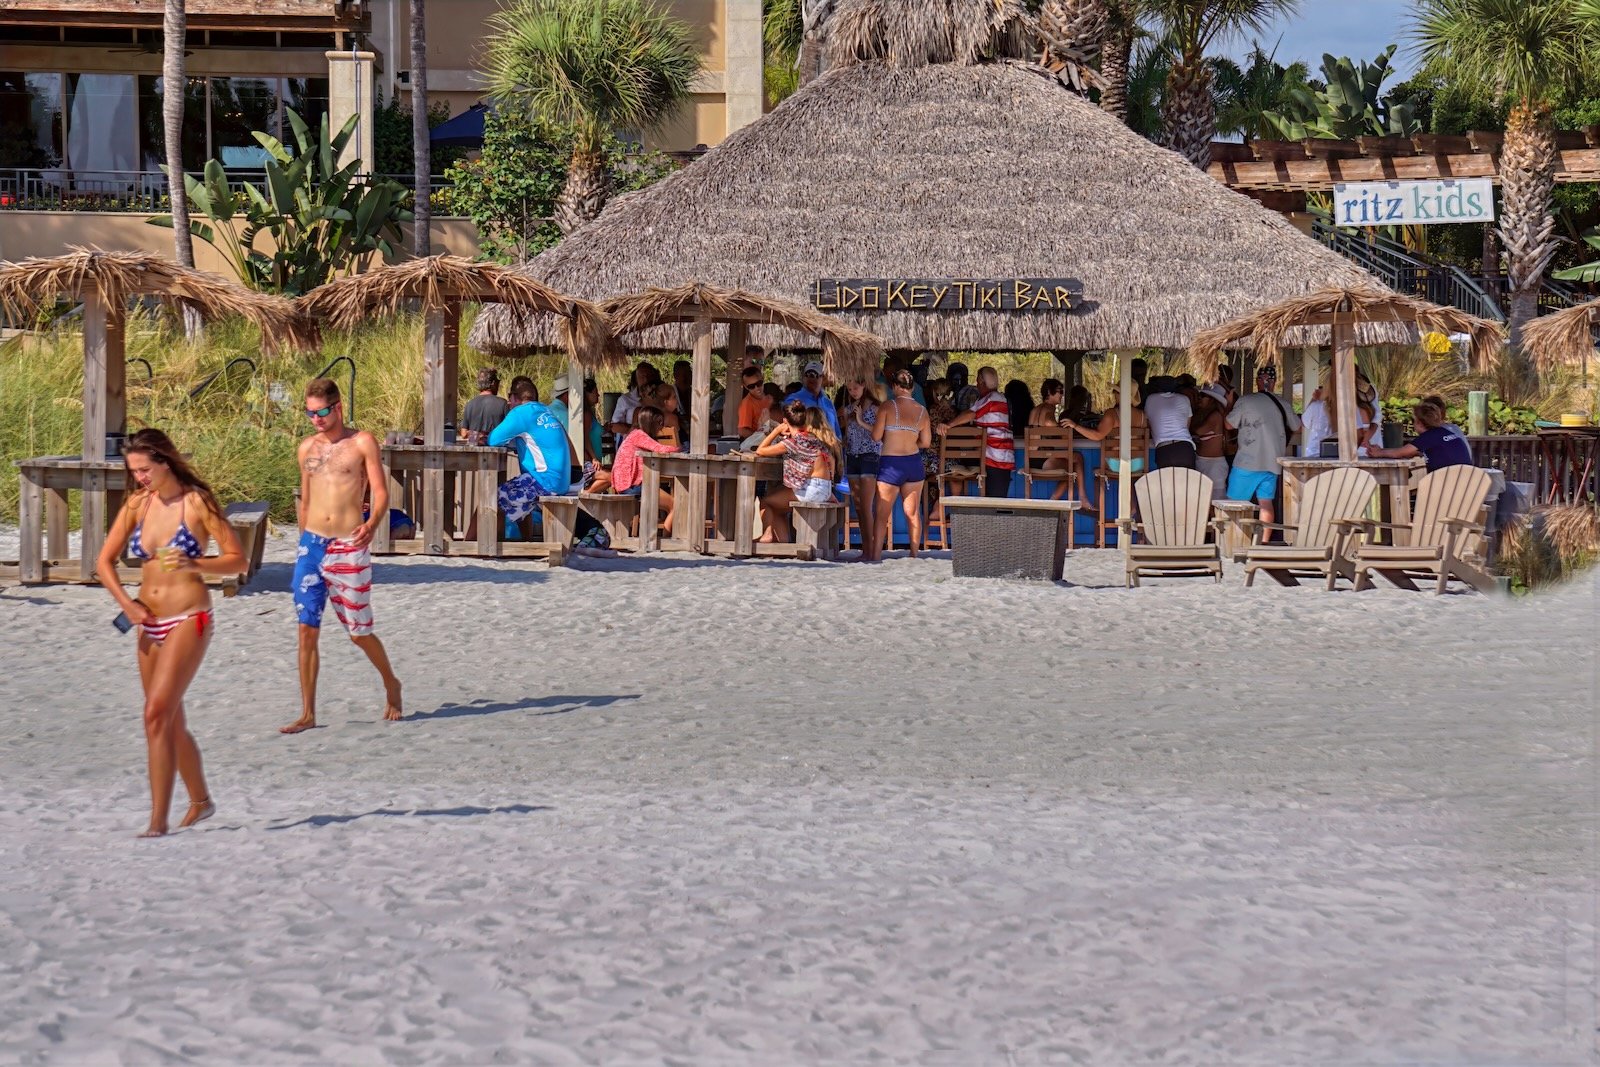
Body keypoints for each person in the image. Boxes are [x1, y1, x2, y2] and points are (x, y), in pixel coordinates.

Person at [95, 430, 245, 838]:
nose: (140, 477)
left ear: (165, 461)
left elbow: (237, 560)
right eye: (134, 471)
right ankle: (201, 802)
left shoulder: (197, 501)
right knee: (168, 721)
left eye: (145, 469)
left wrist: (195, 564)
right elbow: (103, 562)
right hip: (147, 619)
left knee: (155, 714)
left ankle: (158, 821)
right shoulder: (138, 504)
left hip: (189, 617)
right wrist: (127, 605)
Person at [283, 378, 404, 735]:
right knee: (306, 630)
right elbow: (305, 498)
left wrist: (372, 524)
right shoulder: (307, 448)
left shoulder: (362, 442)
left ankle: (391, 683)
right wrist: (302, 541)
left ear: (337, 407)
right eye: (309, 413)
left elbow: (380, 492)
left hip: (348, 543)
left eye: (321, 412)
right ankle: (307, 713)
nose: (315, 419)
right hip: (312, 545)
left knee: (358, 632)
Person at [488, 378, 572, 529]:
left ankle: (476, 546)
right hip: (561, 481)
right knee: (519, 493)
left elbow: (493, 440)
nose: (509, 404)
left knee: (491, 500)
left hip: (544, 481)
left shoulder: (520, 412)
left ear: (514, 397)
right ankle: (525, 543)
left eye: (510, 399)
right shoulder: (545, 410)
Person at [1224, 366, 1301, 532]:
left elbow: (1228, 425)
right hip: (1272, 463)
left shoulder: (1246, 401)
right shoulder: (1283, 404)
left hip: (1247, 461)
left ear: (1258, 381)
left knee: (1235, 504)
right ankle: (1263, 544)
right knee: (1266, 503)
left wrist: (1230, 403)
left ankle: (1237, 541)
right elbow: (1297, 426)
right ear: (1274, 383)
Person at [756, 400, 837, 543]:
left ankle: (767, 535)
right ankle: (782, 543)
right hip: (824, 489)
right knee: (777, 507)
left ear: (785, 421)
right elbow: (830, 459)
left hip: (811, 490)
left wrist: (776, 431)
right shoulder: (813, 438)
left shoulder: (792, 443)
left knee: (766, 502)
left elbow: (760, 450)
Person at [872, 368, 932, 558]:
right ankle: (914, 554)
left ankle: (875, 556)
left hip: (891, 463)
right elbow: (926, 443)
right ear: (912, 388)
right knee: (913, 513)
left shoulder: (887, 407)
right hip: (913, 463)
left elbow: (875, 437)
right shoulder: (922, 411)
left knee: (882, 514)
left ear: (895, 386)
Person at [936, 366, 1014, 498]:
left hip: (996, 456)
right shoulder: (997, 398)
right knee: (995, 498)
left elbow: (971, 414)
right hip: (995, 456)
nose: (976, 385)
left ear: (983, 382)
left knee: (996, 500)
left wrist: (949, 425)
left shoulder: (991, 398)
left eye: (978, 382)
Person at [1369, 399, 1474, 470]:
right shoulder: (1445, 433)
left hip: (1445, 487)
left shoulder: (1427, 437)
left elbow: (1399, 453)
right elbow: (1412, 452)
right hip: (1465, 485)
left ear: (1419, 423)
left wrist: (1378, 452)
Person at [842, 378, 883, 557]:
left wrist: (860, 421)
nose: (853, 392)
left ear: (864, 386)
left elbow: (879, 435)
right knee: (858, 506)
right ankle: (866, 548)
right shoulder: (850, 409)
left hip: (869, 456)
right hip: (852, 455)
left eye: (856, 388)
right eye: (850, 389)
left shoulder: (876, 408)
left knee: (866, 506)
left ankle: (871, 549)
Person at [1143, 376, 1196, 469]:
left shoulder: (1150, 399)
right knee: (1186, 482)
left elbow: (1148, 425)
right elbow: (1187, 426)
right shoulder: (1184, 399)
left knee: (1166, 482)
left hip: (1164, 449)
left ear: (1157, 388)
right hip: (1185, 448)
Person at [1192, 384, 1231, 501]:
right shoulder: (1207, 415)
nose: (1199, 398)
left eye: (1203, 395)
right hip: (1204, 462)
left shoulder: (1216, 416)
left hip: (1214, 465)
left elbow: (1198, 431)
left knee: (1215, 501)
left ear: (1212, 400)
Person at [460, 368, 508, 445]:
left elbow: (463, 434)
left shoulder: (469, 404)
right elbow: (508, 430)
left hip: (474, 452)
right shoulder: (503, 403)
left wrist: (478, 435)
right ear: (493, 383)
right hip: (496, 452)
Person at [610, 362, 661, 435]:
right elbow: (614, 427)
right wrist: (635, 430)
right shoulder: (625, 399)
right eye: (642, 376)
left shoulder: (660, 398)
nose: (646, 379)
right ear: (636, 379)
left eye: (649, 376)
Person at [737, 364, 768, 436]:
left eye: (759, 383)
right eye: (751, 386)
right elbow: (742, 431)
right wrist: (761, 437)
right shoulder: (747, 404)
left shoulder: (769, 395)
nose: (757, 388)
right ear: (746, 387)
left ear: (763, 379)